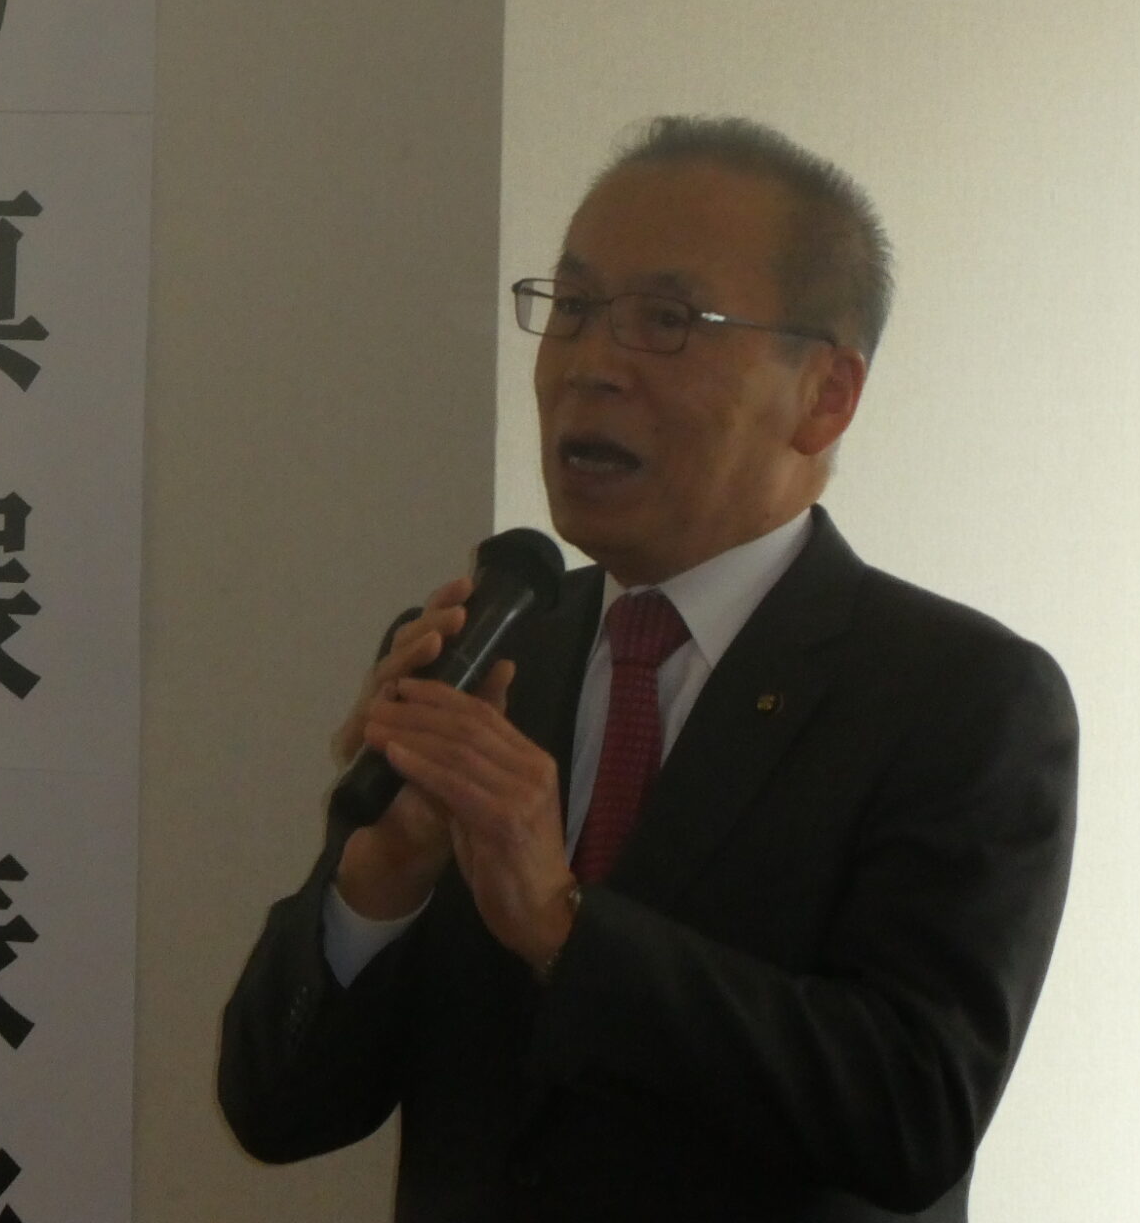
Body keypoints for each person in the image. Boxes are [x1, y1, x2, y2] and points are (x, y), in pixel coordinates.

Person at [217, 116, 1078, 1223]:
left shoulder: (959, 700)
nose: (589, 366)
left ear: (825, 395)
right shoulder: (489, 653)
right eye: (573, 309)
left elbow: (912, 1111)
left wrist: (561, 925)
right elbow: (276, 1108)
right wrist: (378, 883)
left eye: (667, 323)